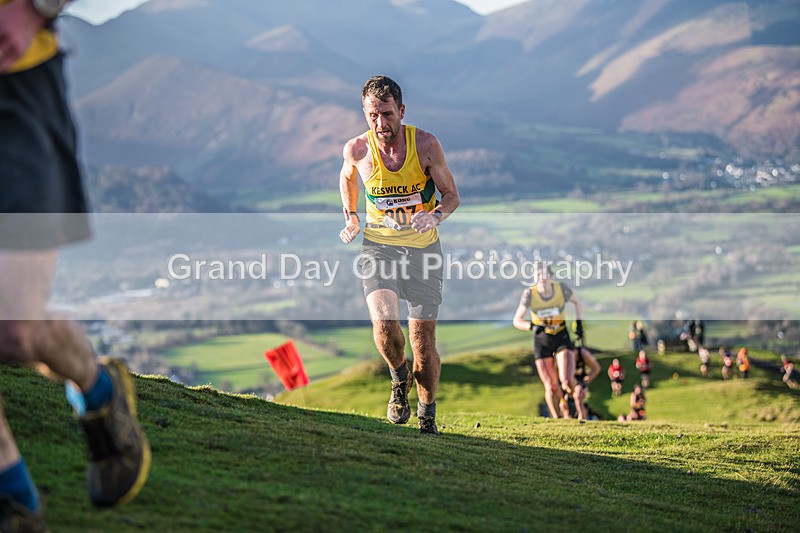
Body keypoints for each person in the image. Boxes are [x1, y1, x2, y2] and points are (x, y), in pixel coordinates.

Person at [0, 2, 151, 529]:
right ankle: (14, 499)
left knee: (14, 330)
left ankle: (101, 393)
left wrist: (33, 7)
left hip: (13, 88)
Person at [339, 75, 460, 435]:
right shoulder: (357, 149)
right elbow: (347, 178)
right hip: (378, 246)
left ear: (402, 111)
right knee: (384, 325)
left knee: (423, 346)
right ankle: (398, 379)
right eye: (372, 116)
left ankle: (427, 413)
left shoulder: (425, 144)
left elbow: (451, 195)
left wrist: (435, 215)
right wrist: (351, 215)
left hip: (423, 251)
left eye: (387, 114)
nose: (381, 124)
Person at [512, 261, 584, 418]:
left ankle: (578, 405)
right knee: (551, 386)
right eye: (538, 274)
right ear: (534, 277)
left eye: (545, 274)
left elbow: (577, 302)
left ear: (550, 276)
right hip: (542, 339)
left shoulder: (561, 289)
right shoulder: (530, 294)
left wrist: (579, 323)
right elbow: (517, 320)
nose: (542, 277)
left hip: (561, 335)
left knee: (566, 380)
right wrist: (531, 327)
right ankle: (557, 419)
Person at [570, 346, 601, 420]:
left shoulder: (582, 353)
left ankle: (581, 418)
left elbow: (596, 368)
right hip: (566, 382)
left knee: (578, 394)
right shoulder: (561, 356)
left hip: (579, 381)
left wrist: (586, 380)